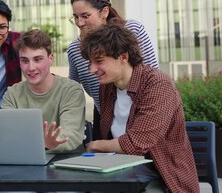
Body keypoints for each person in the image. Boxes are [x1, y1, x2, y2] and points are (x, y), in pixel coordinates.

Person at [80, 23, 199, 192]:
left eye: (99, 61)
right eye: (90, 63)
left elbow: (136, 144)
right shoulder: (106, 87)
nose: (92, 69)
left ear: (123, 57)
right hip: (120, 171)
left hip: (163, 177)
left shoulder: (157, 84)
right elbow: (103, 131)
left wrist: (96, 145)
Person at [67, 0, 159, 139]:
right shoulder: (75, 49)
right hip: (106, 121)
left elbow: (153, 77)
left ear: (104, 11)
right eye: (76, 17)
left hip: (142, 117)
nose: (80, 23)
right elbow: (71, 88)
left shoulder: (132, 30)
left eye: (85, 15)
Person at [2, 29, 86, 153]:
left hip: (65, 162)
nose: (31, 68)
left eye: (37, 59)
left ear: (50, 58)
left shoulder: (71, 90)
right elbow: (7, 134)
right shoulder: (12, 94)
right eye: (25, 60)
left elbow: (71, 136)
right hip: (25, 162)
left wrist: (46, 143)